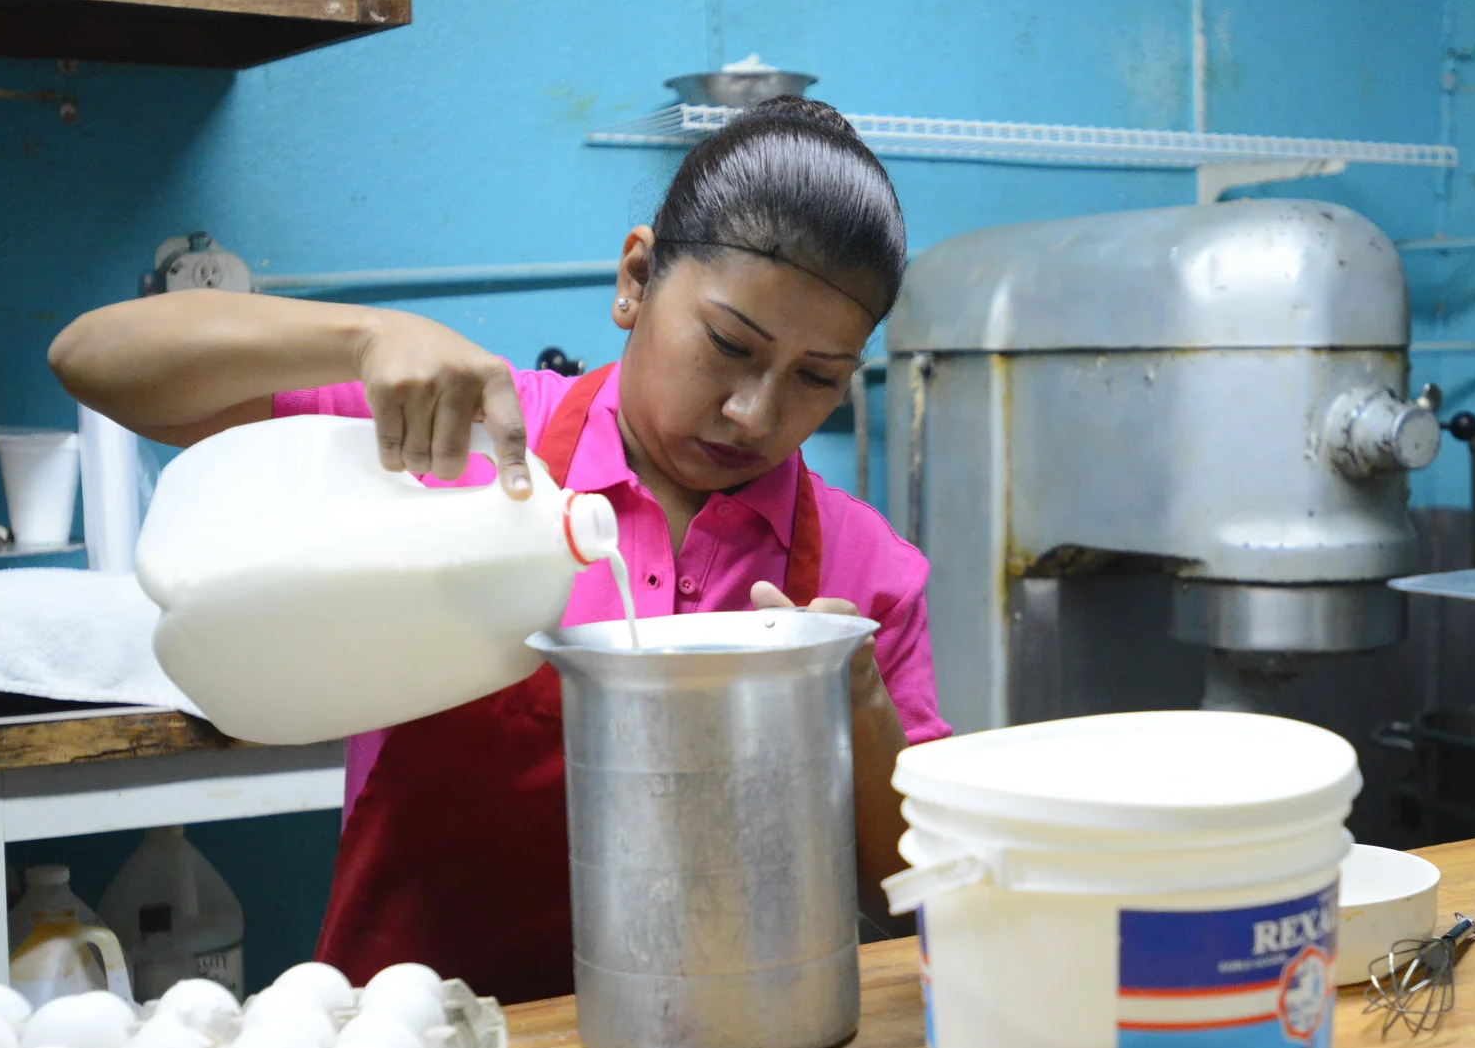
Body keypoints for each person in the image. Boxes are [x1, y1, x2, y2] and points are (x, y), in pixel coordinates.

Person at [50, 97, 947, 1002]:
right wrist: (364, 336)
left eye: (816, 378)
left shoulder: (866, 573)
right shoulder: (454, 442)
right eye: (727, 345)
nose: (754, 411)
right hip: (417, 1040)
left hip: (728, 1046)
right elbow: (93, 358)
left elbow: (911, 900)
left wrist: (856, 698)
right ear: (635, 278)